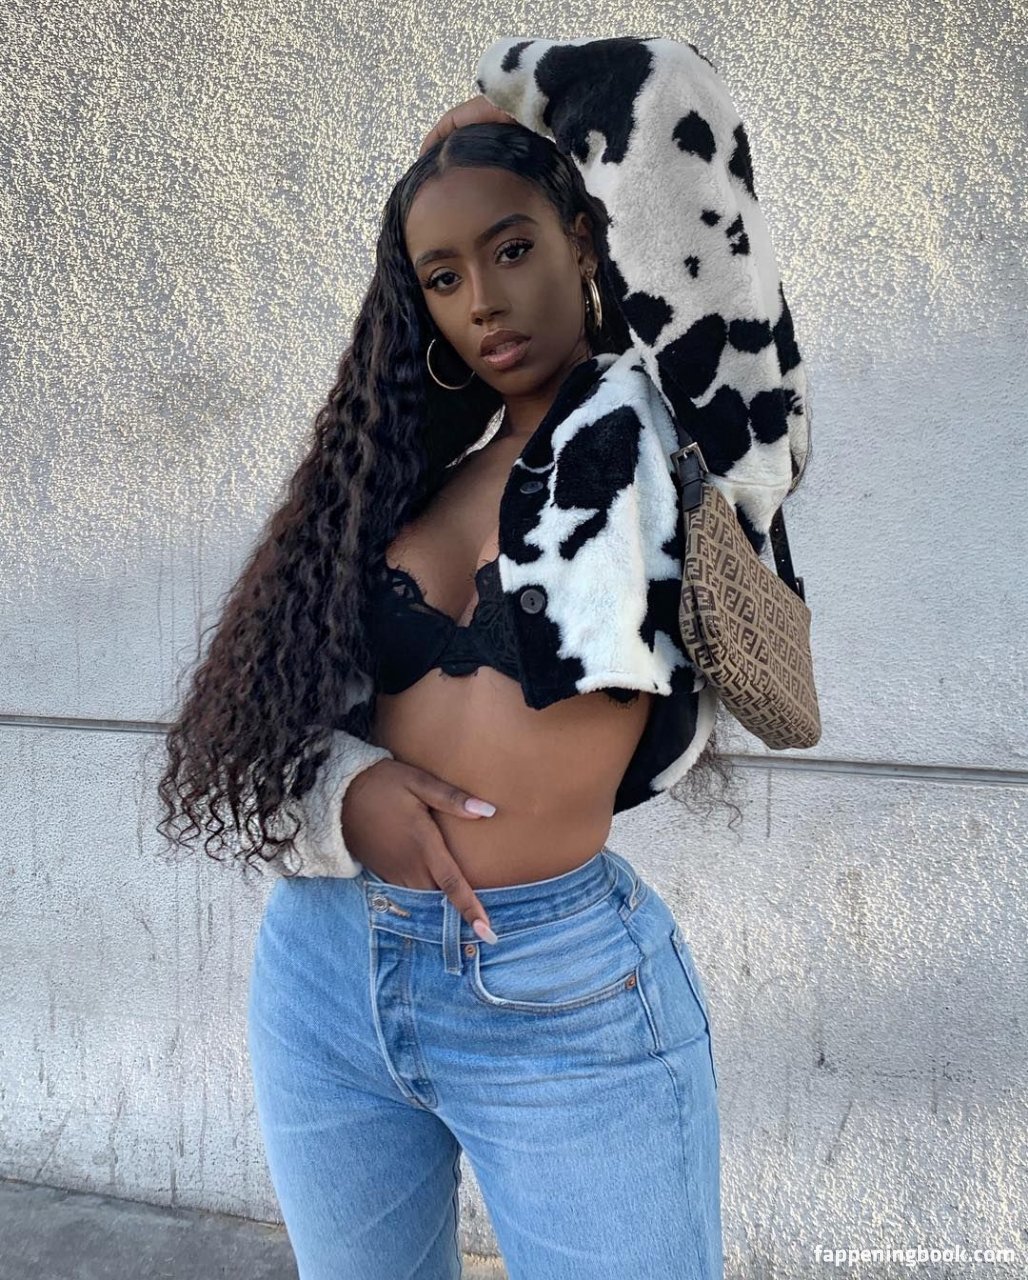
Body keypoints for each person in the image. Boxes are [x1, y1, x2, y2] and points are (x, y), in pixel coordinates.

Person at [158, 33, 811, 1280]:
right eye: (444, 275)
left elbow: (669, 96)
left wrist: (498, 100)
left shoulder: (680, 439)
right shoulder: (403, 487)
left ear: (585, 238)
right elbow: (260, 733)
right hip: (325, 970)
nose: (484, 301)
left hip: (557, 994)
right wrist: (343, 798)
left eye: (512, 248)